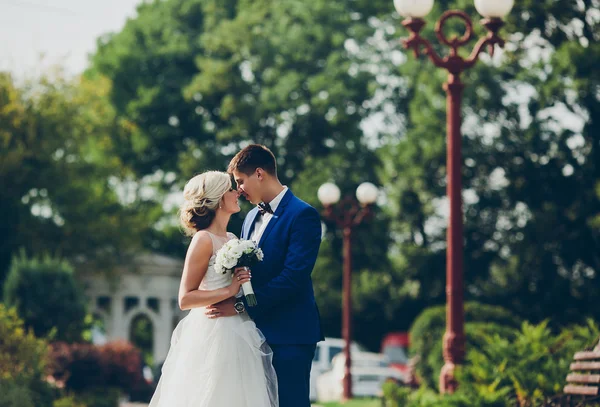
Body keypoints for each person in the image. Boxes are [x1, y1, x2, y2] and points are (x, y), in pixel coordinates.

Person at [206, 144, 324, 407]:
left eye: (240, 181)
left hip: (290, 335)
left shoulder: (303, 215)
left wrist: (238, 306)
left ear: (259, 173)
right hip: (253, 334)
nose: (238, 190)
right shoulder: (249, 218)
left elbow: (292, 279)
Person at [149, 170, 278, 407]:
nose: (237, 191)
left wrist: (243, 282)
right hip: (212, 332)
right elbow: (185, 298)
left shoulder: (232, 238)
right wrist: (229, 291)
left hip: (240, 329)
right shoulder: (203, 239)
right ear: (219, 199)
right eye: (231, 189)